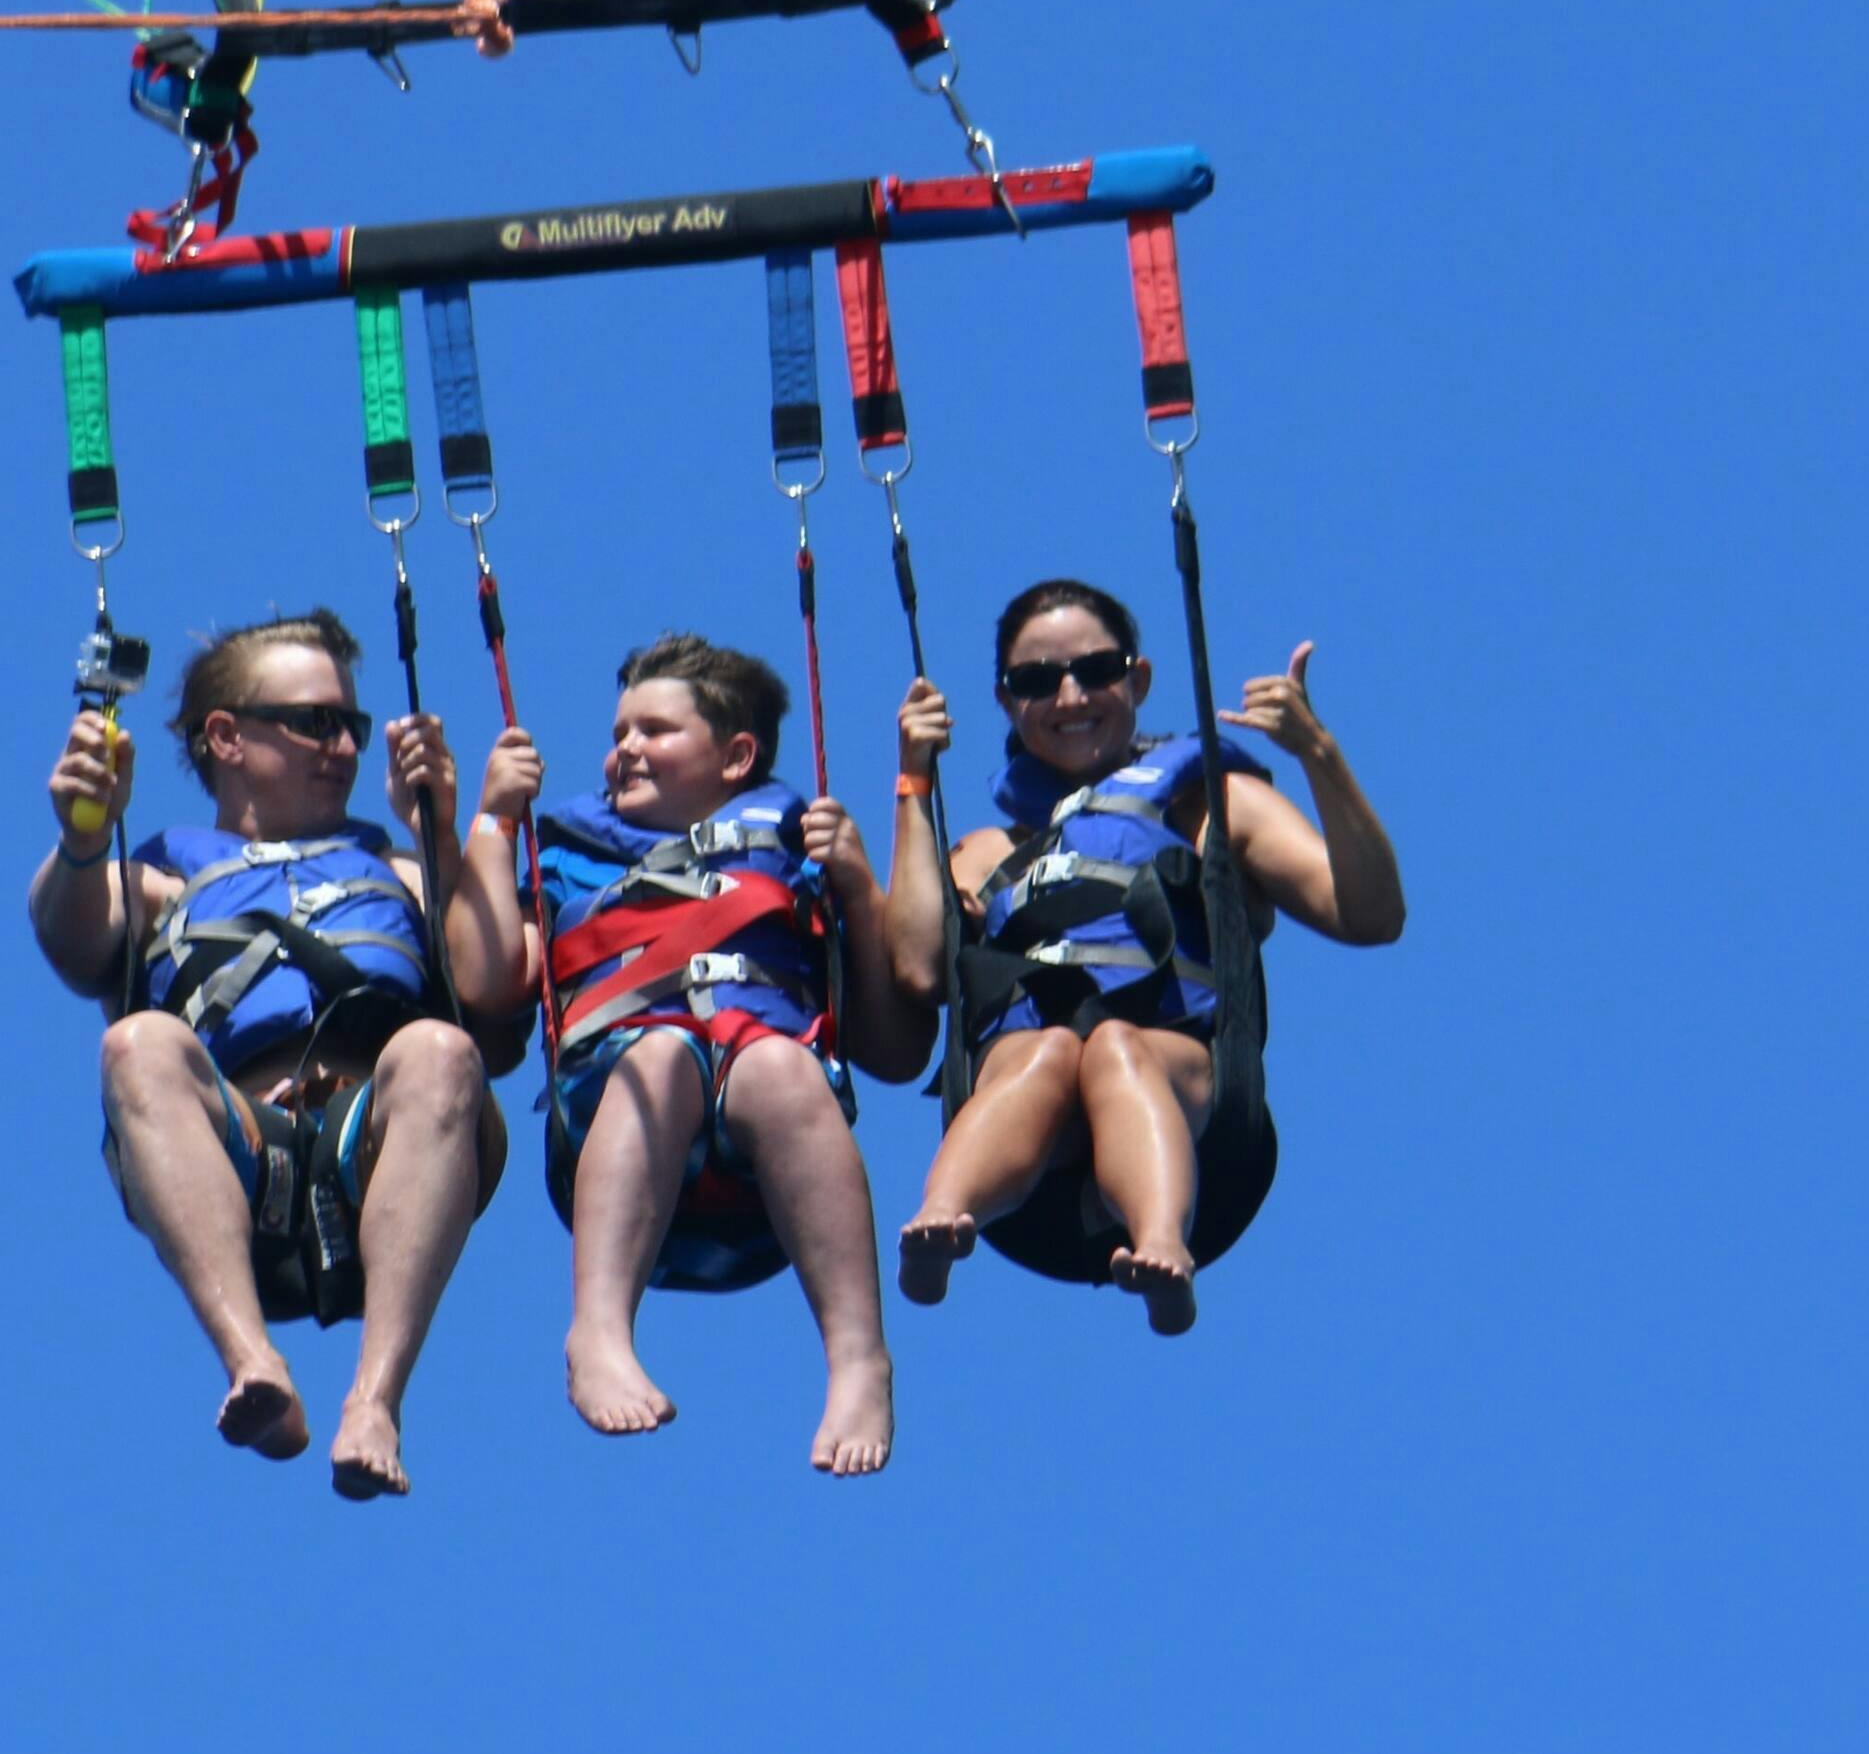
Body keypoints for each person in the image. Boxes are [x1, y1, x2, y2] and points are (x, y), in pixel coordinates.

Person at [31, 608, 526, 1500]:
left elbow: (495, 987)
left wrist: (444, 832)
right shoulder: (163, 874)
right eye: (315, 722)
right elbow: (71, 939)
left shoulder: (399, 868)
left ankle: (375, 1401)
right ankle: (253, 1362)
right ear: (228, 736)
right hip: (246, 1156)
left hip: (371, 1143)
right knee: (136, 1042)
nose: (342, 746)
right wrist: (79, 834)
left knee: (443, 1051)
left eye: (352, 725)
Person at [885, 579, 1406, 1333]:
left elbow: (1372, 914)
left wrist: (1316, 754)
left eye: (1095, 670)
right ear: (1005, 701)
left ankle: (1160, 1243)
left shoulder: (1206, 806)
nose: (1069, 696)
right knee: (1046, 1054)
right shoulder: (989, 852)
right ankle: (941, 1218)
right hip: (1035, 1128)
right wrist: (913, 778)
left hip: (1182, 1076)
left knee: (1112, 1048)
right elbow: (919, 968)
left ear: (1139, 678)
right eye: (1036, 681)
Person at [496, 635, 933, 1478]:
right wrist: (482, 824)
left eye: (654, 730)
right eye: (619, 732)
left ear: (737, 756)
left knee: (776, 1064)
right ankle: (597, 1330)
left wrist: (856, 888)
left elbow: (896, 1048)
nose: (623, 748)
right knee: (661, 1054)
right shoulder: (560, 857)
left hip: (758, 1140)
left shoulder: (797, 847)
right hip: (619, 1096)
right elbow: (487, 990)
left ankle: (858, 1359)